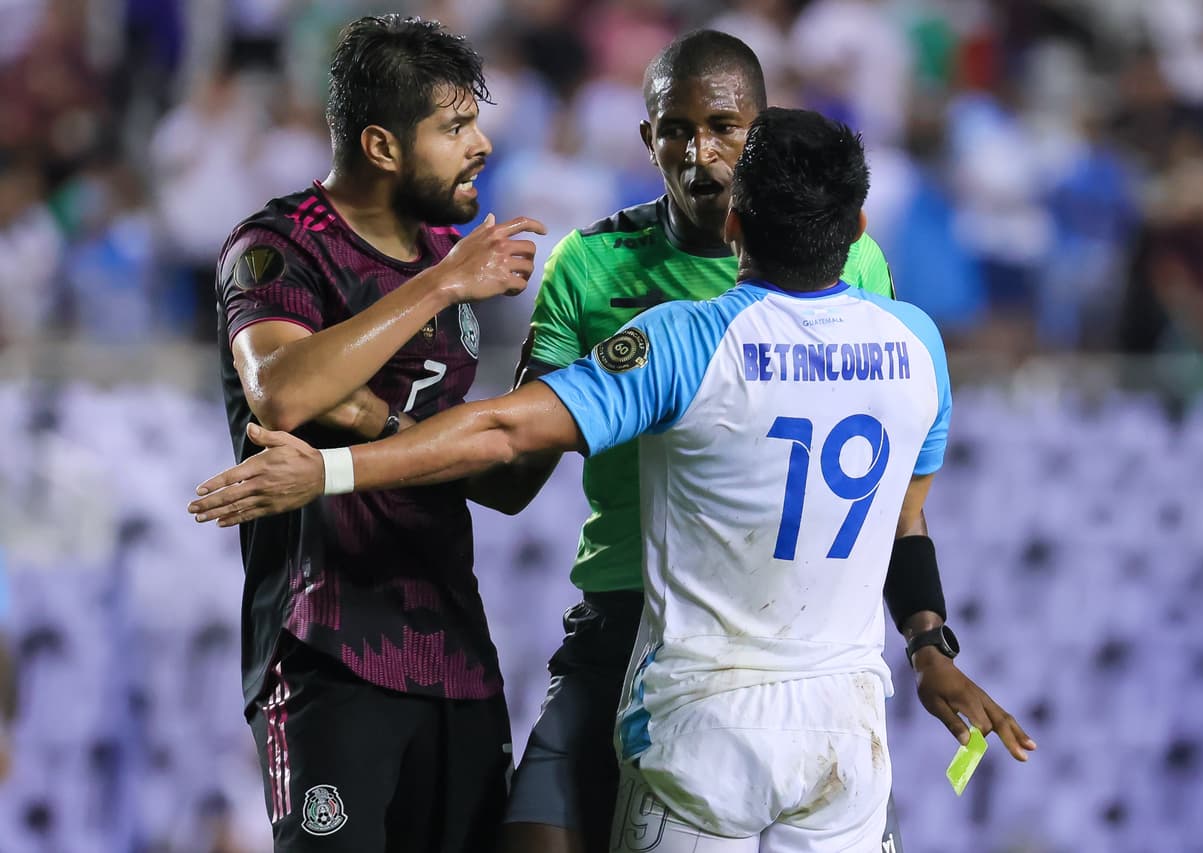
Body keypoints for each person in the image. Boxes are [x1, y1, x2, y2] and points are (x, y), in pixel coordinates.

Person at [189, 107, 1037, 852]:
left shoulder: (686, 340)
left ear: (735, 221)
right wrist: (929, 644)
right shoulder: (918, 343)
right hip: (846, 730)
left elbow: (501, 427)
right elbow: (906, 518)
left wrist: (331, 467)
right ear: (858, 228)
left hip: (705, 722)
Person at [467, 30, 1011, 853]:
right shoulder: (590, 262)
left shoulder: (849, 260)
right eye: (675, 129)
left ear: (760, 136)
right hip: (629, 610)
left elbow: (898, 501)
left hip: (803, 643)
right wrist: (390, 443)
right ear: (646, 138)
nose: (698, 151)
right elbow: (515, 473)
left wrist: (927, 636)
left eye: (723, 127)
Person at [208, 14, 544, 852]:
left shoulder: (448, 255)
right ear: (383, 147)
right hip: (326, 647)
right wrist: (438, 288)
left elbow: (498, 484)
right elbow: (280, 393)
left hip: (456, 652)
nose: (483, 145)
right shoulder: (280, 246)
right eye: (455, 126)